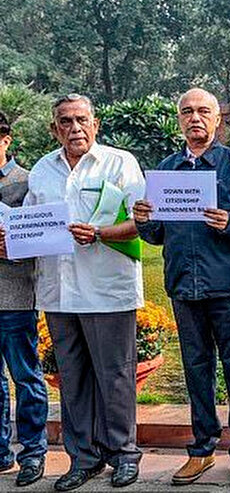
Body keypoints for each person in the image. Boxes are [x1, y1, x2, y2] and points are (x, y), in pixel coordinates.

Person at [133, 88, 230, 488]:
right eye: (187, 111)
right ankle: (202, 449)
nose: (195, 117)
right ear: (179, 119)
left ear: (217, 121)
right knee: (196, 371)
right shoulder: (166, 170)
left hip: (227, 285)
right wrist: (144, 220)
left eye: (203, 111)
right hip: (184, 286)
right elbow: (158, 234)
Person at [23, 94, 145, 491]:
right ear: (54, 128)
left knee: (116, 377)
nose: (74, 128)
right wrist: (13, 241)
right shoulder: (42, 170)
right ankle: (83, 459)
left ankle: (124, 454)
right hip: (58, 292)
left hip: (108, 288)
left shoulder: (119, 162)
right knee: (72, 378)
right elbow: (30, 226)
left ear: (95, 124)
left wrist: (100, 234)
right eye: (65, 121)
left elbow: (144, 219)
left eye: (81, 120)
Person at [0, 112, 48, 488]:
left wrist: (11, 245)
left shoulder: (28, 183)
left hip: (15, 296)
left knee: (26, 378)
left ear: (6, 140)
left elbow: (44, 239)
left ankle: (32, 453)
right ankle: (1, 454)